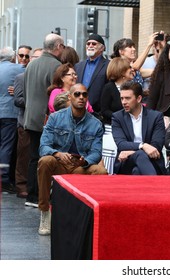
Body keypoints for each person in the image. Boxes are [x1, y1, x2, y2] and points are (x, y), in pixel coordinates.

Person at [37, 83, 107, 235]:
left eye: (84, 94)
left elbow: (96, 152)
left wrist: (86, 161)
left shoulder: (95, 124)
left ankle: (92, 215)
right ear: (70, 97)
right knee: (45, 161)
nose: (81, 97)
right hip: (59, 162)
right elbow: (43, 146)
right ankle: (45, 212)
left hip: (80, 165)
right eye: (77, 94)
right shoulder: (55, 118)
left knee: (101, 171)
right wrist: (57, 154)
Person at [24, 33, 65, 207]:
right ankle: (40, 196)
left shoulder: (31, 64)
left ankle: (31, 195)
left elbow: (26, 91)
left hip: (30, 118)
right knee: (46, 159)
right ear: (57, 47)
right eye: (62, 46)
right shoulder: (57, 66)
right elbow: (56, 97)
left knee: (34, 157)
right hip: (46, 120)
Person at [111, 81, 166, 175]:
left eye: (127, 98)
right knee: (140, 155)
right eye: (122, 98)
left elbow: (156, 146)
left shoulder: (156, 117)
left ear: (139, 98)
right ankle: (155, 184)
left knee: (137, 171)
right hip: (126, 161)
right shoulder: (117, 117)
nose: (124, 102)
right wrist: (142, 146)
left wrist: (131, 151)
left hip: (151, 161)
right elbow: (121, 144)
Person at [13, 48, 43, 198]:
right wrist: (33, 102)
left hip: (41, 122)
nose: (37, 60)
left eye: (40, 58)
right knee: (24, 155)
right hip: (25, 121)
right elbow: (17, 100)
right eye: (35, 57)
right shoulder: (21, 77)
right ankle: (21, 186)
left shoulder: (44, 77)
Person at [100, 57, 134, 174]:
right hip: (111, 129)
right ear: (121, 72)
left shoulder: (131, 88)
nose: (132, 69)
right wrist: (119, 116)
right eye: (128, 68)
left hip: (129, 128)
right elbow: (104, 110)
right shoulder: (108, 88)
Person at [0, 47, 25, 193]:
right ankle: (3, 179)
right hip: (9, 112)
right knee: (6, 146)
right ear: (13, 57)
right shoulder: (19, 69)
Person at [75, 33, 109, 113]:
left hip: (98, 112)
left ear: (102, 48)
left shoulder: (108, 65)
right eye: (88, 44)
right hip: (79, 109)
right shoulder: (78, 66)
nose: (90, 46)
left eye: (94, 44)